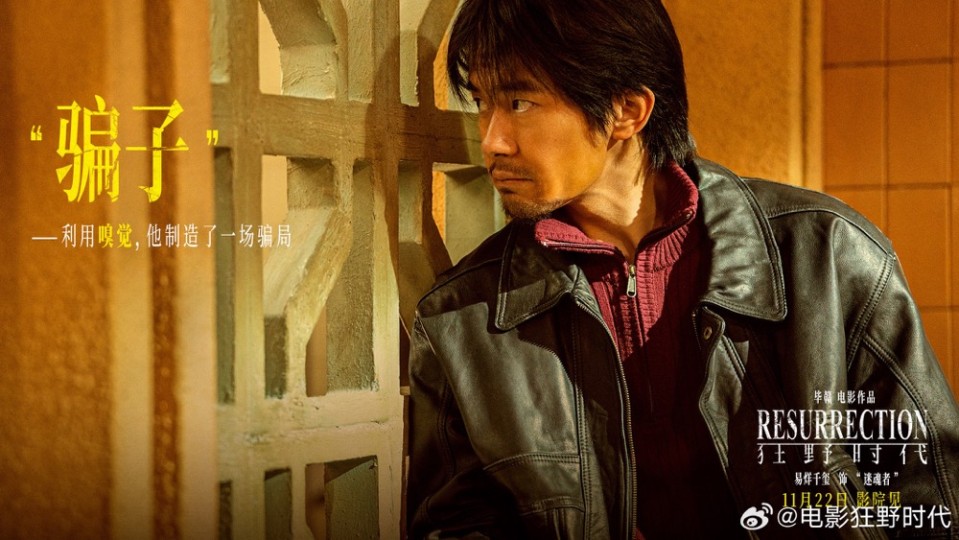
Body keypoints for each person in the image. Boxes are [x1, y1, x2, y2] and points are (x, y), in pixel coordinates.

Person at [405, 1, 959, 538]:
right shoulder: (461, 315)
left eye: (520, 102)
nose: (491, 139)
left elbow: (931, 499)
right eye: (483, 102)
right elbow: (454, 526)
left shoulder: (826, 255)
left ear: (628, 110)